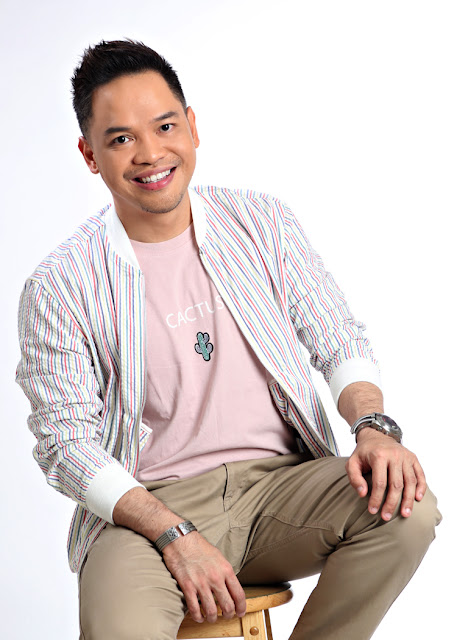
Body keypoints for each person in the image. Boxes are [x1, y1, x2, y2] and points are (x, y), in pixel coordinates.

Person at [16, 39, 441, 640]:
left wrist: (374, 429)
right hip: (146, 510)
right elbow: (66, 443)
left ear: (192, 127)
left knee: (406, 508)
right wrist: (173, 533)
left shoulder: (261, 222)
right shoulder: (61, 283)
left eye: (165, 126)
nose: (150, 153)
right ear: (90, 155)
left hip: (279, 489)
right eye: (121, 139)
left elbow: (337, 337)